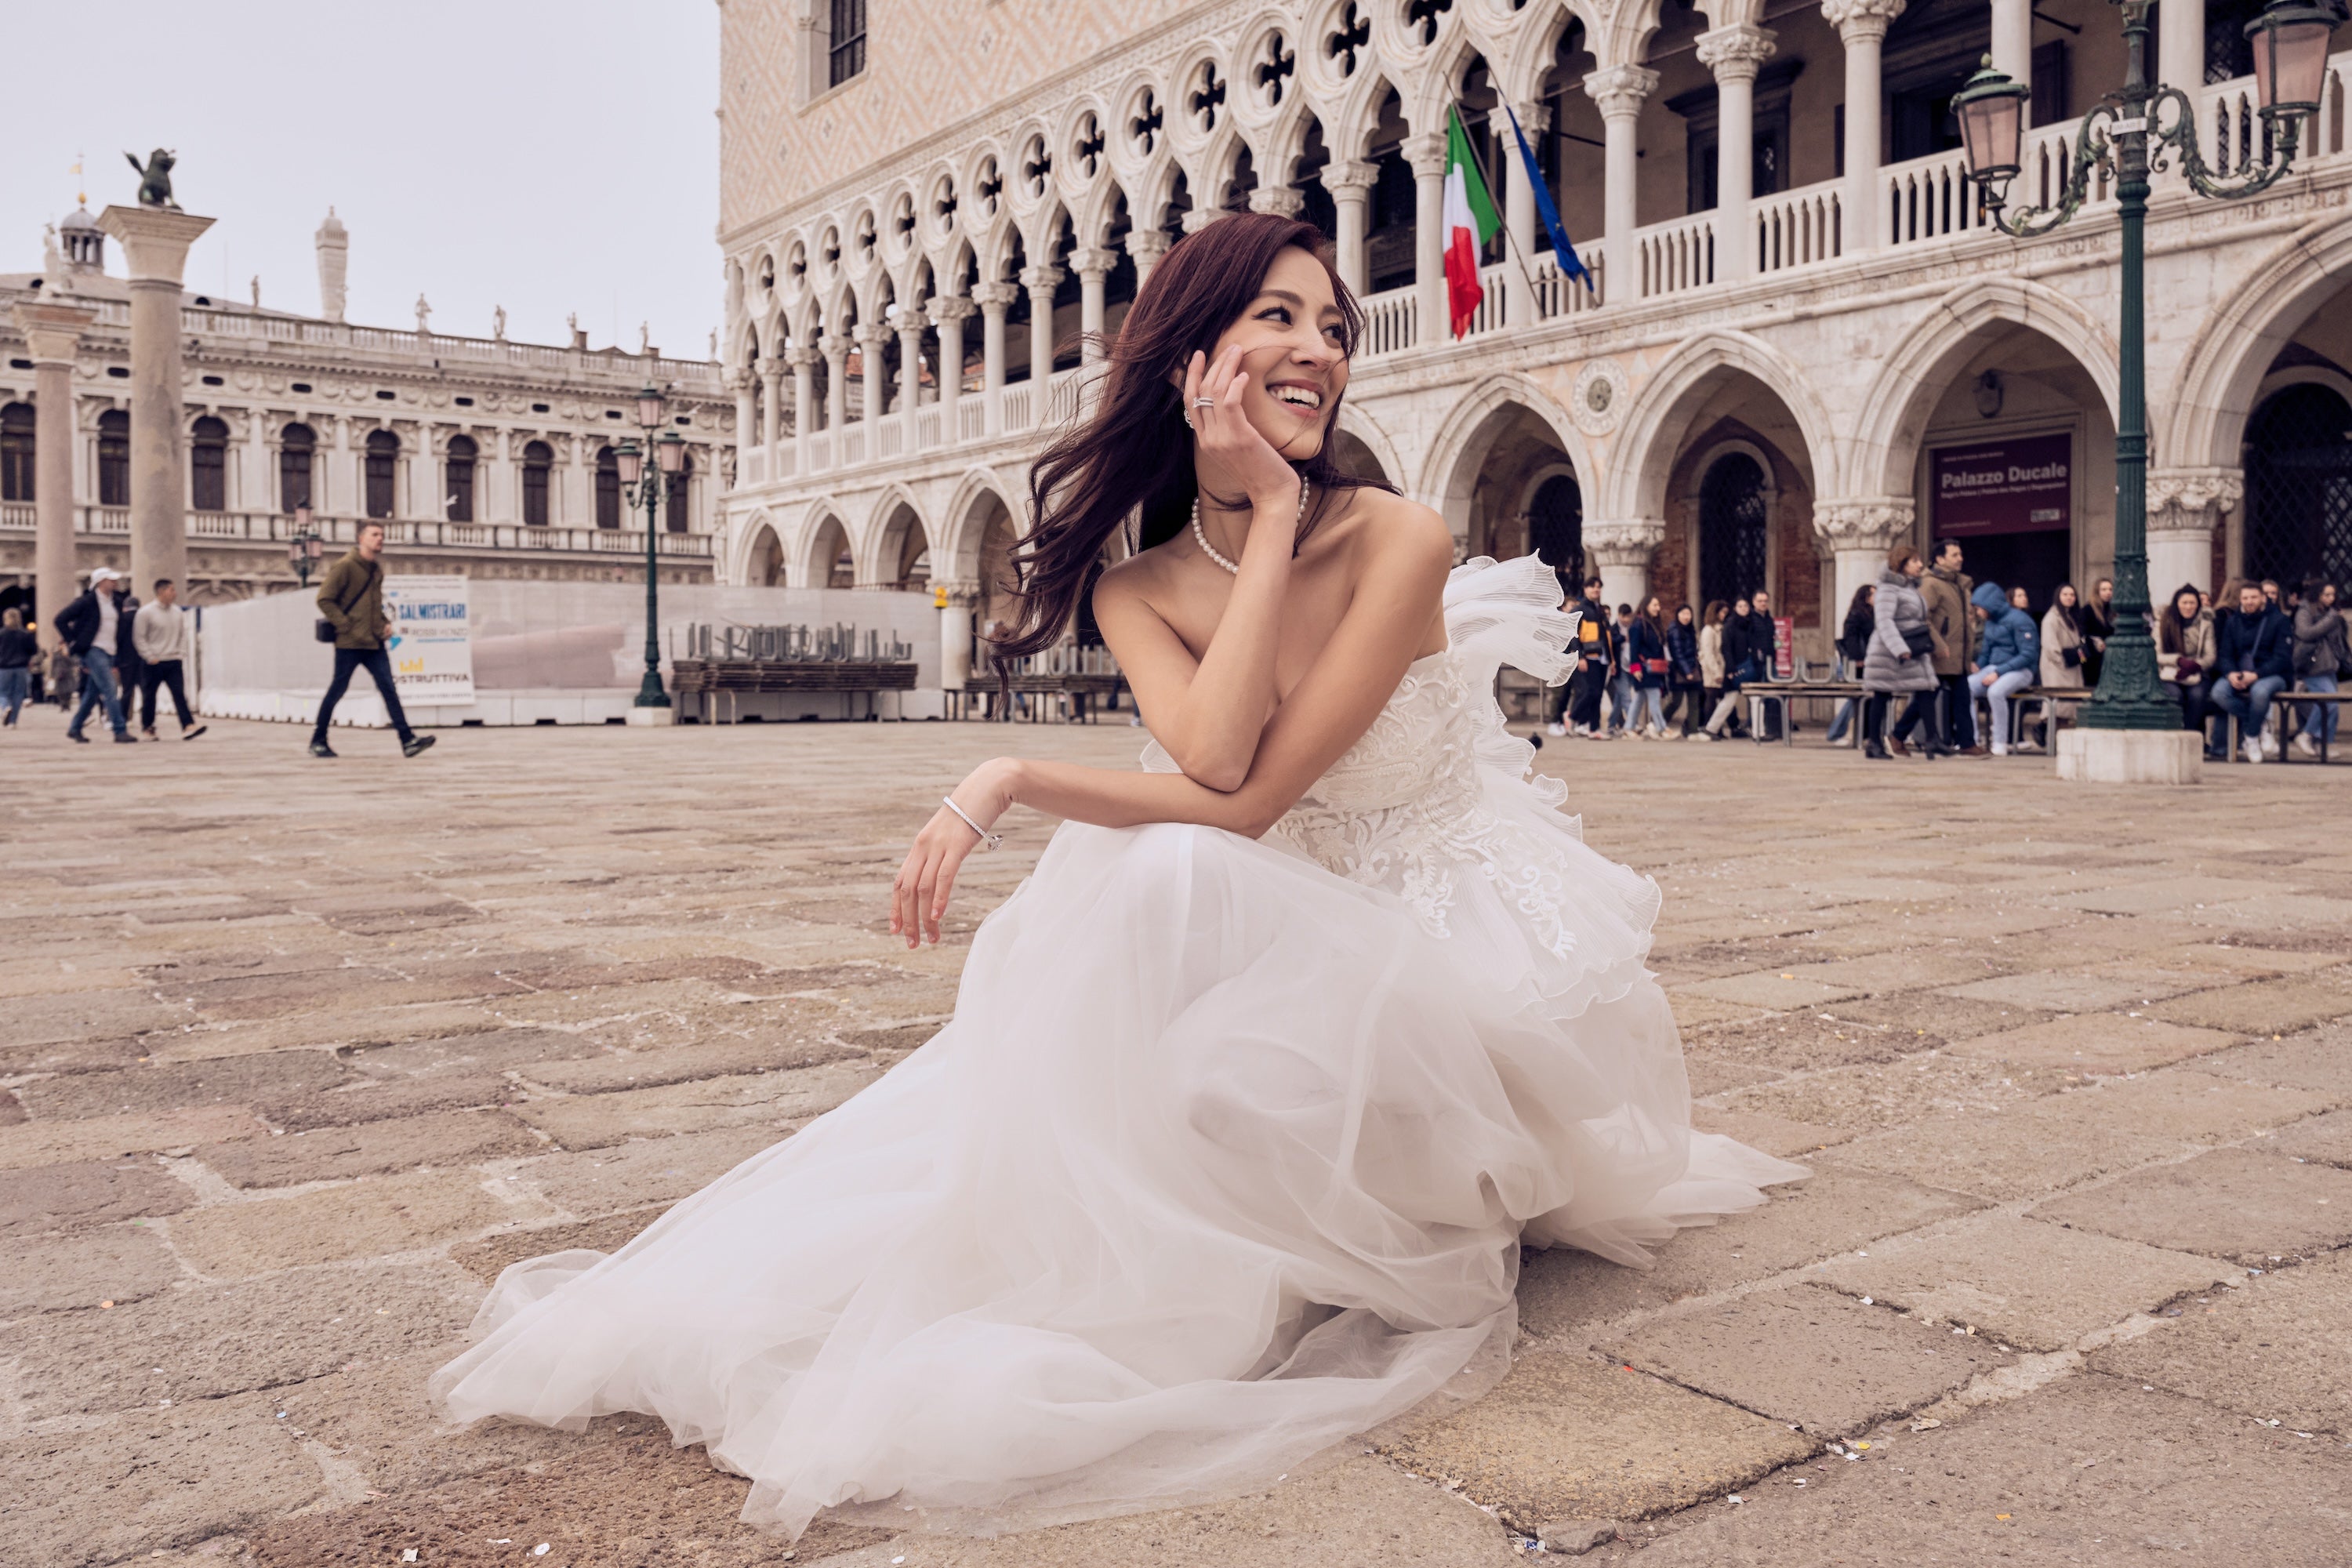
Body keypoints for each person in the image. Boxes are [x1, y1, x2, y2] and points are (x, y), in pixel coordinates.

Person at [430, 213, 1806, 1544]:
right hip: (1284, 926)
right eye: (1278, 317)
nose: (1319, 349)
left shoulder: (1399, 537)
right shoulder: (1138, 587)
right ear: (1192, 358)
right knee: (1135, 905)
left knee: (1168, 876)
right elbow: (1211, 766)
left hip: (1441, 938)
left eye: (1334, 325)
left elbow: (1243, 796)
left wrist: (1022, 773)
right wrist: (1022, 762)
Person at [310, 522, 435, 760]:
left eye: (382, 535)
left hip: (374, 642)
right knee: (337, 689)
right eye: (375, 535)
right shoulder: (345, 566)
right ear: (361, 538)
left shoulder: (376, 569)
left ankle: (408, 740)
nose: (380, 539)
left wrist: (384, 621)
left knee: (389, 688)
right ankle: (318, 740)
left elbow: (371, 604)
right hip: (349, 643)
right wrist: (346, 626)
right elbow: (325, 599)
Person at [1861, 546, 1945, 759]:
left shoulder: (1910, 588)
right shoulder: (1888, 589)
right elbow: (1884, 621)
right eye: (1915, 561)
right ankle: (1874, 743)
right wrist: (1899, 649)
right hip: (1889, 651)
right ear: (1902, 563)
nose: (1920, 565)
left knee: (1926, 690)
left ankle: (1932, 740)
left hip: (1913, 647)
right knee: (1882, 694)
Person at [2209, 579, 2294, 763]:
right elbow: (2225, 655)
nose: (2249, 602)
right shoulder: (2233, 622)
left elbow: (2282, 658)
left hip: (2272, 675)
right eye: (2245, 598)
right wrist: (2231, 673)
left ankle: (2251, 736)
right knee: (2218, 693)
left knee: (2260, 692)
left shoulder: (2280, 620)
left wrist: (2256, 675)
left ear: (2263, 598)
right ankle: (2257, 721)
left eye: (2253, 597)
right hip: (2239, 673)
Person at [52, 568, 136, 744]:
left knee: (92, 692)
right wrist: (73, 641)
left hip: (110, 650)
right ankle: (119, 729)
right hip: (93, 650)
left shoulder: (116, 602)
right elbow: (60, 619)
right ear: (100, 582)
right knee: (110, 688)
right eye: (110, 580)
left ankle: (75, 728)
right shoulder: (86, 602)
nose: (114, 583)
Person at [1921, 539, 1980, 755]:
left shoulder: (1960, 584)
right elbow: (1923, 617)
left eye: (1960, 554)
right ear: (1940, 559)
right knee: (1925, 700)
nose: (1960, 559)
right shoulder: (1931, 584)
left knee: (1962, 699)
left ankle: (1967, 743)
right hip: (1941, 653)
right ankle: (1897, 736)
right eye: (1954, 555)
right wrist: (1938, 643)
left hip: (1959, 654)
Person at [1970, 580, 2041, 755]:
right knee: (1965, 688)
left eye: (1979, 608)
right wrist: (1978, 666)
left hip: (2021, 670)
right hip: (1995, 667)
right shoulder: (1990, 622)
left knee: (1996, 692)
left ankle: (2000, 742)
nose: (1978, 612)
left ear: (1989, 606)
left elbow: (2028, 655)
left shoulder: (2021, 620)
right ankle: (1971, 739)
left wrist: (1998, 672)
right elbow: (1986, 651)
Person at [132, 579, 205, 741]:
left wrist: (180, 653)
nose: (175, 593)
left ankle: (188, 726)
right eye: (171, 590)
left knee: (179, 694)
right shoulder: (145, 612)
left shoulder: (177, 612)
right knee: (150, 696)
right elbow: (139, 637)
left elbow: (182, 635)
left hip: (173, 660)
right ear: (161, 592)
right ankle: (148, 728)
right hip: (153, 662)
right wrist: (149, 656)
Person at [2157, 583, 2219, 749]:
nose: (2188, 607)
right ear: (2177, 603)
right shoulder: (2163, 622)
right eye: (2184, 603)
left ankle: (2190, 737)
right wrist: (2178, 661)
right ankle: (2174, 736)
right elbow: (2156, 654)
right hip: (2169, 672)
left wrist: (2193, 666)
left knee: (2197, 696)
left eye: (2192, 603)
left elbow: (2210, 655)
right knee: (2175, 696)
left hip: (2196, 672)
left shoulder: (2206, 624)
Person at [2292, 577, 2345, 758]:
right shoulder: (2305, 611)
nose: (2330, 598)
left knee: (2334, 706)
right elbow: (2305, 633)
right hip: (2312, 665)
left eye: (2333, 595)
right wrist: (2331, 619)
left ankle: (2324, 744)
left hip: (2330, 665)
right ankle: (2306, 735)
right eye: (2326, 595)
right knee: (2328, 702)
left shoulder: (2331, 613)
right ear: (2317, 594)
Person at [1701, 593, 1756, 739]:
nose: (1744, 609)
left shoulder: (1745, 624)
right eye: (1740, 606)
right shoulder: (1722, 628)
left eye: (1746, 606)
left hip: (1736, 667)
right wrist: (1723, 671)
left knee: (1732, 699)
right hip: (1724, 669)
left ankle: (1722, 728)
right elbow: (1719, 651)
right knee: (1720, 699)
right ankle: (1711, 728)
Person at [2038, 582, 2087, 742]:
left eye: (2072, 595)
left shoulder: (2071, 617)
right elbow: (2051, 648)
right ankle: (2051, 738)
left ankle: (2056, 740)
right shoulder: (2051, 619)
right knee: (2059, 707)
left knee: (2067, 708)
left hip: (2071, 666)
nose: (2069, 598)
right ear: (2058, 597)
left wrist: (2080, 657)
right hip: (2058, 669)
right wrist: (2064, 662)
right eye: (2065, 594)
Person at [1828, 582, 1874, 746]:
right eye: (1874, 594)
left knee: (1864, 699)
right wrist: (1858, 659)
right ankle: (1836, 733)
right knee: (1856, 699)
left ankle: (1865, 734)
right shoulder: (1856, 614)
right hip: (1859, 663)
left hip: (1871, 661)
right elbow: (1851, 639)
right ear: (1866, 597)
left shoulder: (1872, 614)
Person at [1741, 590, 1784, 739]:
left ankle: (1771, 727)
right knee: (1758, 694)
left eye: (1765, 601)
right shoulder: (1750, 619)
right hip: (1757, 662)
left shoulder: (1769, 619)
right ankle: (1755, 726)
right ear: (1754, 602)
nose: (1763, 603)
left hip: (1770, 660)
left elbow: (1774, 639)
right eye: (1760, 601)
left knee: (1773, 692)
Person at [1626, 596, 1671, 738]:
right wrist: (1636, 668)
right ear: (1646, 606)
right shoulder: (1638, 625)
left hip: (1653, 668)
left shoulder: (1651, 624)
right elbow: (1634, 648)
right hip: (1645, 668)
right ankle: (1661, 728)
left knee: (1639, 699)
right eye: (1655, 605)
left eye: (1658, 605)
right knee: (1654, 697)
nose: (1658, 608)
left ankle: (1629, 728)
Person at [1692, 598, 1728, 741]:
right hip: (1710, 669)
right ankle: (1709, 728)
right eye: (1723, 612)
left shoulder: (1719, 630)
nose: (1724, 615)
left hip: (1718, 667)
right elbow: (1708, 653)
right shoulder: (1709, 631)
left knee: (1718, 699)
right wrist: (1716, 672)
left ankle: (1716, 728)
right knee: (1711, 698)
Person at [1666, 601, 1704, 736]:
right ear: (1678, 615)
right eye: (1683, 614)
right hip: (1679, 670)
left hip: (1693, 668)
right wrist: (1686, 671)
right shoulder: (1674, 630)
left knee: (1694, 701)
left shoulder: (1691, 630)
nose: (1686, 617)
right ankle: (1659, 723)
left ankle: (1692, 731)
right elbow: (1677, 653)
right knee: (1676, 701)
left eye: (1689, 614)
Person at [1605, 603, 1638, 735]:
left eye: (1628, 617)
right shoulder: (1613, 629)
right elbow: (1610, 642)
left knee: (1619, 699)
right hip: (1618, 668)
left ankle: (1611, 725)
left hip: (1631, 667)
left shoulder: (1633, 628)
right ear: (1619, 615)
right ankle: (1632, 725)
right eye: (1624, 617)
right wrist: (1624, 638)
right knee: (1626, 698)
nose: (1626, 620)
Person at [0, 607, 34, 727]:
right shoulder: (25, 634)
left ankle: (5, 707)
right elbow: (33, 650)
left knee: (3, 692)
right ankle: (13, 722)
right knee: (18, 694)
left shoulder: (2, 634)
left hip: (4, 667)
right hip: (21, 667)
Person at [2080, 576, 2114, 690]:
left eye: (2110, 589)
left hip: (2110, 657)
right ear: (2097, 592)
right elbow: (2082, 633)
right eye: (2104, 590)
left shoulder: (2114, 610)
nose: (2108, 592)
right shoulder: (2088, 609)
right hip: (2091, 659)